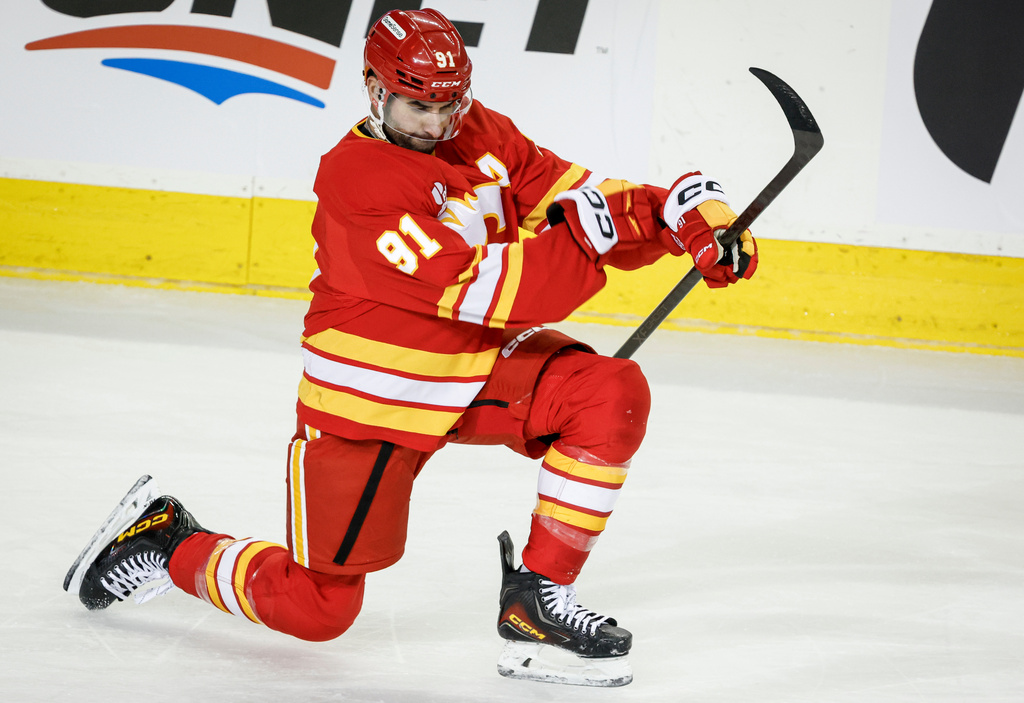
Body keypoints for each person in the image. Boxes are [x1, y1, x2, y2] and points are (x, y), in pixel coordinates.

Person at [64, 8, 757, 687]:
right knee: (320, 607)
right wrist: (594, 236)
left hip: (468, 364)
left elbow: (570, 194)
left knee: (608, 392)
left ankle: (536, 601)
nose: (434, 124)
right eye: (415, 108)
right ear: (374, 90)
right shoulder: (355, 180)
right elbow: (495, 288)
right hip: (373, 397)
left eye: (448, 106)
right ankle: (167, 539)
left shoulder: (475, 132)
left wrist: (679, 217)